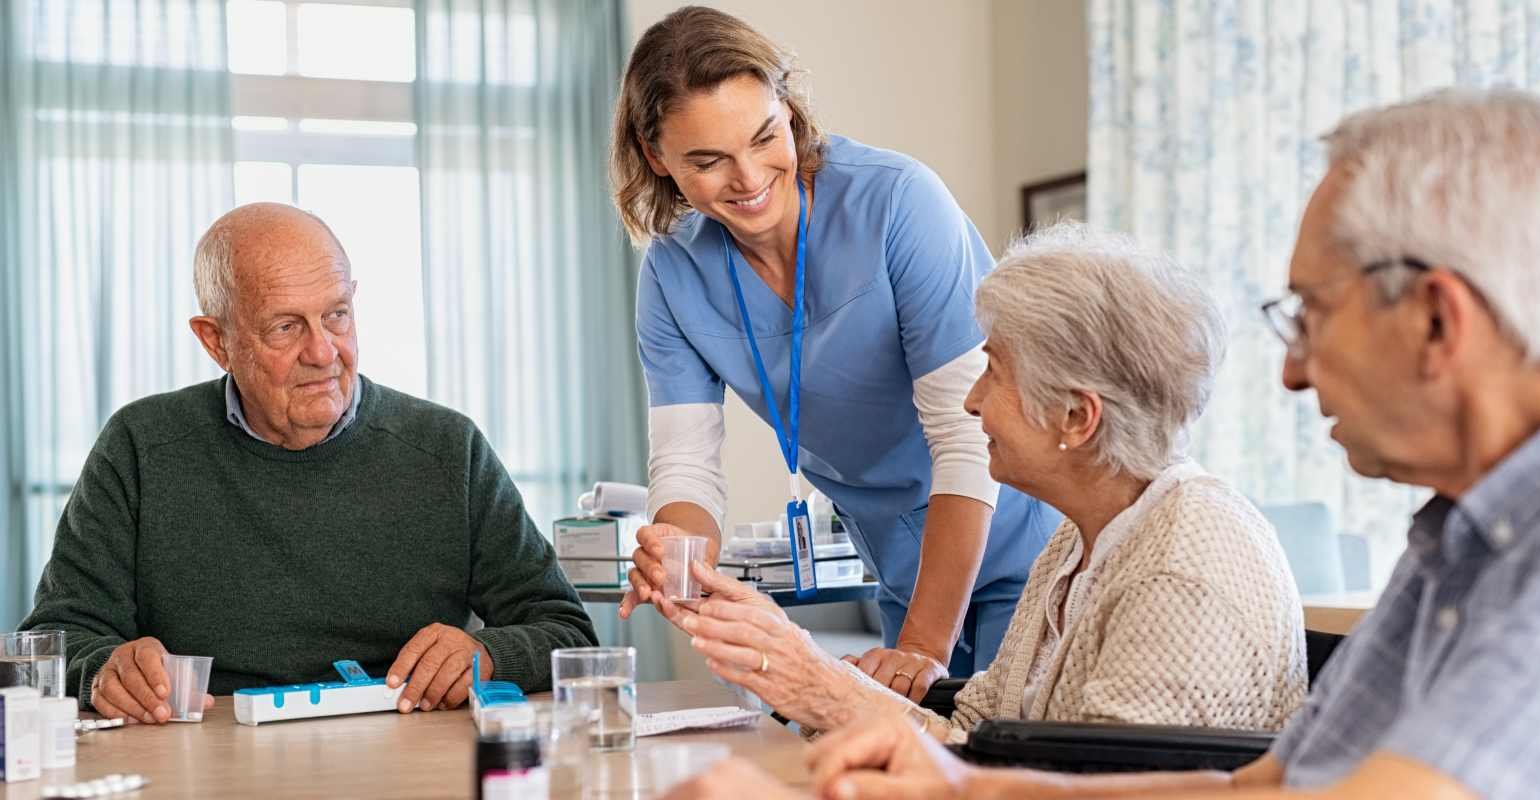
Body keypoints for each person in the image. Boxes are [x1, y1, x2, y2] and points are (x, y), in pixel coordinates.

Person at [671, 87, 1540, 800]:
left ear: (1437, 321)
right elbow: (1261, 789)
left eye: (1311, 315)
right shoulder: (1464, 536)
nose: (1293, 373)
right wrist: (963, 784)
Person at [656, 221, 1306, 742]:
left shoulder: (1179, 573)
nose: (971, 402)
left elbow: (1087, 793)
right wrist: (805, 677)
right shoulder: (1081, 544)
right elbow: (976, 734)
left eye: (992, 372)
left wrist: (821, 685)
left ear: (1076, 417)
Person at [612, 5, 1058, 694]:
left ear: (788, 110)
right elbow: (687, 470)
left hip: (1024, 544)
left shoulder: (899, 205)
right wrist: (677, 554)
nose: (748, 177)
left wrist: (921, 651)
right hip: (903, 571)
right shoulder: (673, 274)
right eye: (707, 161)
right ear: (656, 157)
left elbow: (967, 441)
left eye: (765, 136)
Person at [19, 202, 597, 722]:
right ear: (216, 341)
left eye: (337, 315)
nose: (323, 353)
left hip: (401, 756)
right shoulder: (141, 445)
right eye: (285, 326)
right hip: (209, 761)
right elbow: (51, 640)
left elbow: (570, 635)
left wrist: (490, 654)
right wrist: (102, 670)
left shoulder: (448, 447)